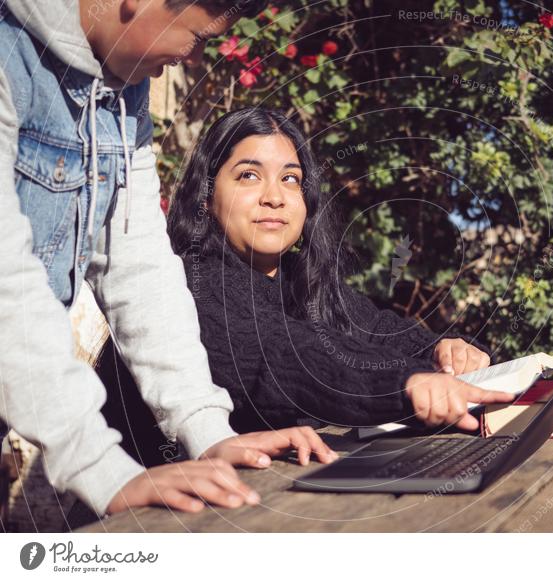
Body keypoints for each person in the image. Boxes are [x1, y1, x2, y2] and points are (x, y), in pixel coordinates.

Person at [0, 0, 337, 523]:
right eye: (199, 37)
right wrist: (104, 469)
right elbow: (6, 286)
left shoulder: (121, 93)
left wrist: (208, 432)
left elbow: (139, 268)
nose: (187, 58)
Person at [167, 107, 516, 433]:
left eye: (291, 178)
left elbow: (382, 332)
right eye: (248, 175)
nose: (275, 197)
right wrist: (405, 382)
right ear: (206, 198)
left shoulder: (301, 281)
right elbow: (285, 353)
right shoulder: (193, 285)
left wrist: (449, 352)